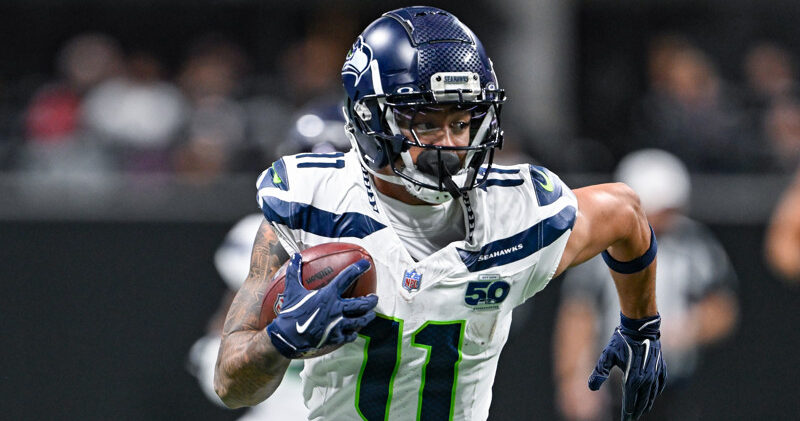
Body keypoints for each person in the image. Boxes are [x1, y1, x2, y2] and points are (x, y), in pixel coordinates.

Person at [214, 6, 666, 420]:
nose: (449, 145)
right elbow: (230, 385)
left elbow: (625, 212)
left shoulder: (516, 212)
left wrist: (641, 325)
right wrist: (280, 341)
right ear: (371, 122)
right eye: (426, 123)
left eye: (461, 122)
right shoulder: (313, 204)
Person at [554, 149, 738, 421]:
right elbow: (578, 312)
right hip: (612, 383)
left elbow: (722, 307)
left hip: (675, 384)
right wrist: (572, 378)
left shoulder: (693, 243)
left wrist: (686, 329)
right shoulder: (601, 247)